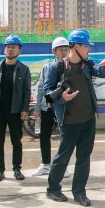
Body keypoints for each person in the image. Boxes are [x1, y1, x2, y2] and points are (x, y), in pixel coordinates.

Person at [45, 29, 105, 206]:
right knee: (63, 157)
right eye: (86, 46)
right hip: (69, 122)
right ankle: (53, 189)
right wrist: (62, 98)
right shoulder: (57, 68)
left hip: (88, 120)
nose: (89, 49)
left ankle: (79, 192)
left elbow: (101, 72)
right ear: (76, 46)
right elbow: (48, 94)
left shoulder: (87, 64)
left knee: (84, 157)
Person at [0, 35, 32, 182]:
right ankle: (0, 171)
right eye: (8, 47)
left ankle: (17, 169)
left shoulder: (24, 69)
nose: (10, 49)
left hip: (15, 112)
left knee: (17, 142)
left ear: (19, 50)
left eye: (13, 47)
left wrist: (24, 109)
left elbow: (27, 92)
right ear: (4, 49)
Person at [32, 36, 70, 177]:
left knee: (64, 136)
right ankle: (45, 164)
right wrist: (37, 108)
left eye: (66, 49)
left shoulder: (71, 67)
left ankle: (63, 166)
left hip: (64, 106)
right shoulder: (47, 67)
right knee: (44, 135)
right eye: (60, 50)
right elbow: (41, 88)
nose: (64, 52)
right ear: (54, 51)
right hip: (47, 106)